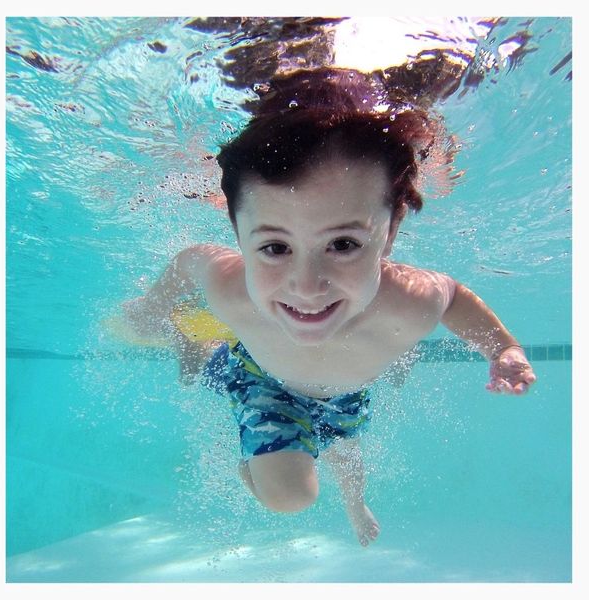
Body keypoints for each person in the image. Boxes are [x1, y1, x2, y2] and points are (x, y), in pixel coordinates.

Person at [122, 68, 537, 546]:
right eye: (275, 248)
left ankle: (355, 503)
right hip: (261, 381)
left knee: (344, 448)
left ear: (390, 233)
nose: (307, 287)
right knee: (289, 496)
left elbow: (456, 298)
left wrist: (503, 349)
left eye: (342, 243)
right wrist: (156, 304)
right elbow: (191, 260)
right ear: (239, 238)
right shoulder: (231, 289)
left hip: (344, 393)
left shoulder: (410, 300)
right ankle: (199, 350)